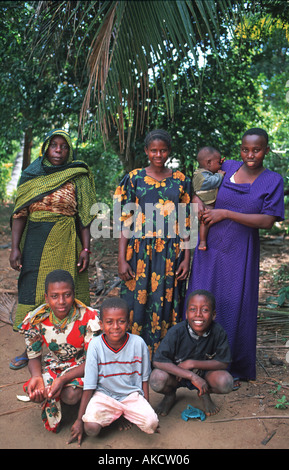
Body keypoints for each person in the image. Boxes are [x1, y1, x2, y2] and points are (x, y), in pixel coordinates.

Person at [185, 128, 285, 382]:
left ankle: (226, 364)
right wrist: (197, 201)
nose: (250, 155)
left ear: (267, 150)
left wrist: (226, 213)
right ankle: (191, 364)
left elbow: (267, 221)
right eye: (245, 149)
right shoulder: (226, 167)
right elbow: (197, 183)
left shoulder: (272, 180)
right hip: (209, 248)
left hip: (240, 252)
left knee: (232, 305)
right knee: (201, 300)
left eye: (256, 149)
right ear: (239, 148)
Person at [9, 129, 97, 370]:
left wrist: (86, 249)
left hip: (67, 240)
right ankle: (30, 349)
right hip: (35, 240)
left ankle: (74, 348)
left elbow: (85, 217)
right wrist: (15, 247)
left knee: (67, 293)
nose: (59, 150)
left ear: (69, 150)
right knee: (33, 292)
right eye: (54, 145)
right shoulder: (30, 175)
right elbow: (20, 213)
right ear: (46, 147)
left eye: (64, 146)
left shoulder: (77, 174)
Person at [114, 129, 192, 359]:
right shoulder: (134, 177)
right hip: (139, 251)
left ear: (169, 151)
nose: (158, 154)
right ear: (147, 151)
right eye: (154, 150)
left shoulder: (180, 180)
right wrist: (121, 258)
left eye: (163, 150)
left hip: (171, 252)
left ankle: (163, 356)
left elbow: (187, 221)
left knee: (167, 300)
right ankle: (132, 355)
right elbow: (124, 220)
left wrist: (187, 258)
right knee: (136, 300)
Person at [68, 297, 159, 446]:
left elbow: (144, 379)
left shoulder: (138, 343)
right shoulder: (95, 346)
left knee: (151, 423)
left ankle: (123, 413)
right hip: (104, 395)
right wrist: (79, 420)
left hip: (131, 396)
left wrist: (147, 407)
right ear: (101, 325)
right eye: (109, 322)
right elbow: (89, 385)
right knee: (91, 428)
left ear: (128, 323)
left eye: (121, 321)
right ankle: (116, 416)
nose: (115, 326)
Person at [20, 269, 101, 433]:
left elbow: (93, 361)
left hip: (83, 364)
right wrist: (37, 376)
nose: (61, 301)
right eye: (54, 296)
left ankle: (79, 399)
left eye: (67, 294)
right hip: (55, 363)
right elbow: (34, 357)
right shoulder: (37, 319)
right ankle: (56, 392)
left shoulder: (89, 317)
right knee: (38, 390)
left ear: (74, 293)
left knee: (70, 395)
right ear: (46, 297)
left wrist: (63, 379)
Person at [150, 290, 233, 417]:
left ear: (213, 314)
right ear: (187, 314)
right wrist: (191, 376)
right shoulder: (176, 331)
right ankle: (169, 395)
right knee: (157, 379)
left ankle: (204, 393)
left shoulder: (218, 332)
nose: (198, 314)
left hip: (204, 375)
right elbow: (158, 361)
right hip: (176, 375)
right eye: (193, 309)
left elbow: (223, 362)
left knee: (225, 382)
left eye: (205, 310)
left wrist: (191, 363)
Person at [193, 147, 225, 250]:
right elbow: (213, 182)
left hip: (208, 203)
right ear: (209, 163)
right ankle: (202, 242)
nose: (220, 165)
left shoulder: (205, 172)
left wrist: (220, 164)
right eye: (218, 162)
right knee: (204, 222)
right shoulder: (201, 176)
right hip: (205, 204)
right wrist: (220, 175)